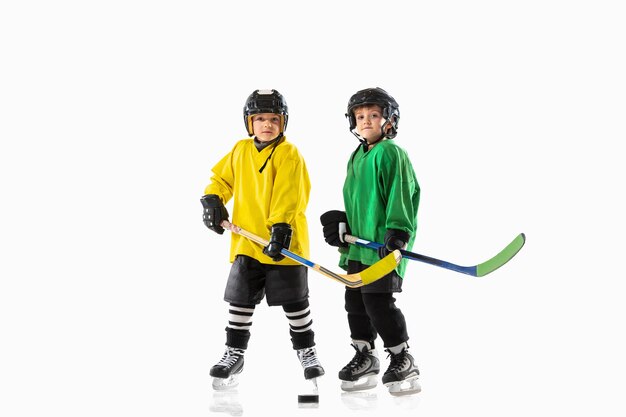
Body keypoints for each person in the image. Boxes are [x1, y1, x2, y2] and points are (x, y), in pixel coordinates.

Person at [201, 89, 324, 390]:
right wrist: (214, 198)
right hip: (247, 243)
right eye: (259, 119)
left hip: (284, 243)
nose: (267, 124)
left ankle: (307, 353)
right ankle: (235, 354)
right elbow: (222, 178)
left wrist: (280, 228)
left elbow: (288, 195)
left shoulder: (288, 153)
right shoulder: (240, 150)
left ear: (283, 122)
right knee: (240, 301)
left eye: (273, 119)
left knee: (295, 303)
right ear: (249, 122)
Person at [320, 87, 421, 396]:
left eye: (373, 115)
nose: (365, 120)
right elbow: (359, 201)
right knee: (355, 302)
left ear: (388, 120)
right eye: (360, 116)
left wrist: (398, 232)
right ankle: (366, 356)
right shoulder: (356, 156)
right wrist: (342, 224)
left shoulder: (391, 152)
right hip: (358, 247)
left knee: (378, 301)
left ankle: (402, 357)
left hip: (383, 246)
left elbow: (400, 194)